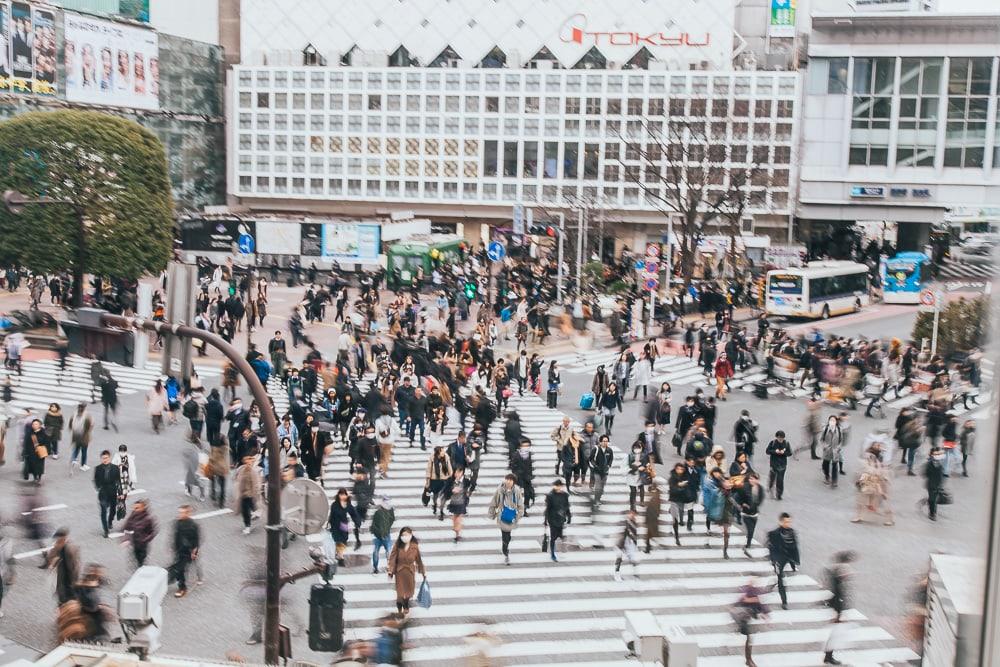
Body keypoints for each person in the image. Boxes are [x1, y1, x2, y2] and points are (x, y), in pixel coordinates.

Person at [823, 552, 856, 665]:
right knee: (835, 634)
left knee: (835, 634)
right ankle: (828, 656)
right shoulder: (838, 581)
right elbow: (838, 596)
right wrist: (839, 614)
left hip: (836, 608)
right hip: (836, 609)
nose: (848, 574)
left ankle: (828, 655)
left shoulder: (835, 573)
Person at [852, 442, 894, 526]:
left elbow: (885, 468)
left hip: (880, 481)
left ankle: (889, 518)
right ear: (872, 446)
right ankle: (859, 516)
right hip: (868, 480)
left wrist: (883, 475)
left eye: (880, 446)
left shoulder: (881, 457)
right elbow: (865, 467)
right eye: (877, 445)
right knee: (861, 498)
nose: (879, 447)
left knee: (885, 499)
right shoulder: (868, 456)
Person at [386, 527, 425, 616]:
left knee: (409, 592)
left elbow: (418, 560)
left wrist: (423, 571)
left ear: (411, 535)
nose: (405, 537)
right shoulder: (397, 545)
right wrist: (390, 571)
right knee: (400, 593)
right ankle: (399, 608)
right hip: (400, 571)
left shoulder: (414, 546)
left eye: (406, 535)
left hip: (410, 572)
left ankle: (406, 604)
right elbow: (392, 558)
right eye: (403, 535)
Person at [487, 474, 524, 566]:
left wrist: (518, 516)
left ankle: (505, 545)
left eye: (510, 480)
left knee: (508, 535)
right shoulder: (500, 490)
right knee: (505, 534)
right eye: (507, 479)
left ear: (513, 482)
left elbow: (520, 505)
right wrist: (492, 514)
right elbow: (494, 501)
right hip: (502, 515)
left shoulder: (517, 491)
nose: (508, 481)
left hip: (512, 517)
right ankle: (505, 551)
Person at [732, 577, 770, 667]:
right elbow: (739, 603)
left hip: (748, 618)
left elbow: (760, 605)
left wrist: (765, 615)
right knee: (749, 640)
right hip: (744, 619)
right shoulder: (748, 591)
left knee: (749, 640)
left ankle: (748, 660)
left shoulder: (755, 591)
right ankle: (748, 661)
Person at [766, 513, 800, 610]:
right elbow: (771, 548)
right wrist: (773, 560)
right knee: (781, 578)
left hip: (788, 557)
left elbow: (795, 546)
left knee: (780, 576)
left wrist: (795, 560)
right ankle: (784, 601)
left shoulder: (792, 532)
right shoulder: (774, 533)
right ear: (780, 522)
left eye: (789, 522)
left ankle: (775, 581)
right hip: (779, 558)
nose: (788, 523)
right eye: (785, 522)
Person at [170, 504, 200, 598]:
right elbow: (175, 535)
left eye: (182, 513)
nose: (180, 514)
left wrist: (194, 551)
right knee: (180, 567)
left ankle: (182, 588)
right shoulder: (177, 522)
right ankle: (197, 576)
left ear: (188, 513)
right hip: (179, 550)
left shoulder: (193, 525)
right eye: (180, 512)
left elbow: (196, 540)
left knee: (180, 570)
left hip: (187, 551)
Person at [47, 527, 81, 606]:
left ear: (65, 537)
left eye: (59, 538)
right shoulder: (58, 546)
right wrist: (55, 549)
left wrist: (75, 583)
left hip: (70, 584)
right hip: (62, 582)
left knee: (70, 605)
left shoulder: (71, 548)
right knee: (63, 603)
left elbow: (75, 568)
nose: (57, 540)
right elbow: (49, 560)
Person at [328, 488, 361, 566]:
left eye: (344, 494)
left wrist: (357, 522)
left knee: (344, 540)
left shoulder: (348, 505)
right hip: (335, 525)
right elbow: (332, 515)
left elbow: (354, 514)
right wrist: (329, 524)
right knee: (338, 540)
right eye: (341, 494)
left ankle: (339, 554)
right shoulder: (334, 504)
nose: (343, 496)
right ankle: (340, 557)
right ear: (338, 495)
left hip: (343, 525)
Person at [121, 498, 157, 568]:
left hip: (143, 545)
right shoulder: (133, 515)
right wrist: (126, 539)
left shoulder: (148, 519)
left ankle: (141, 570)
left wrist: (145, 539)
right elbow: (126, 527)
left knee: (141, 561)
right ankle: (140, 569)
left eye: (137, 508)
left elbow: (153, 532)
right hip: (135, 543)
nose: (135, 509)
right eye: (134, 507)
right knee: (136, 558)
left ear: (143, 508)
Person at [93, 450, 121, 538]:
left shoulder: (115, 468)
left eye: (106, 458)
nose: (105, 460)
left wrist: (120, 492)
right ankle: (106, 530)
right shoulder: (98, 468)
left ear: (109, 458)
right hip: (103, 493)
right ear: (101, 459)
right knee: (103, 511)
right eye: (103, 458)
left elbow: (118, 480)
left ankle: (110, 521)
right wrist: (98, 487)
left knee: (113, 510)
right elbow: (95, 479)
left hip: (113, 492)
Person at [736, 473, 765, 557]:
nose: (752, 481)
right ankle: (748, 544)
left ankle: (748, 541)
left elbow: (761, 498)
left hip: (755, 512)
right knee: (750, 529)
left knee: (752, 529)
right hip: (746, 513)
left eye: (754, 479)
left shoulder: (760, 488)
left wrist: (756, 505)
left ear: (758, 480)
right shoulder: (744, 487)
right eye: (750, 479)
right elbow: (738, 497)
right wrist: (742, 504)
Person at [543, 479, 572, 562]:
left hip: (561, 519)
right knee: (553, 537)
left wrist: (569, 516)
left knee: (559, 535)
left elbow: (567, 507)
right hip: (552, 519)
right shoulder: (550, 496)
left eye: (560, 486)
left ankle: (558, 549)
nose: (558, 487)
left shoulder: (565, 495)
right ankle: (552, 553)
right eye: (557, 485)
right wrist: (545, 520)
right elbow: (547, 509)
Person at [440, 467, 472, 542]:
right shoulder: (451, 481)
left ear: (462, 473)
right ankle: (456, 530)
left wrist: (467, 492)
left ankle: (457, 534)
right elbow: (446, 492)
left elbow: (471, 485)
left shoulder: (465, 481)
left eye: (459, 472)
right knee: (455, 517)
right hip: (453, 503)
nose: (457, 474)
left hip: (461, 503)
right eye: (456, 472)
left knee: (458, 518)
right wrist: (452, 491)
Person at [235, 454, 262, 535]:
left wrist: (255, 494)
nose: (248, 465)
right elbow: (238, 479)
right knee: (247, 510)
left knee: (246, 510)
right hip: (243, 494)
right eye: (246, 463)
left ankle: (248, 526)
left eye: (250, 463)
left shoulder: (253, 472)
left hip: (250, 494)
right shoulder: (241, 470)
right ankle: (253, 516)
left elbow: (256, 484)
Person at [424, 446, 453, 520]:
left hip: (444, 480)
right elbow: (428, 470)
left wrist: (450, 476)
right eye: (442, 451)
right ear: (438, 452)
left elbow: (449, 468)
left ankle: (441, 511)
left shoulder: (446, 457)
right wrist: (427, 481)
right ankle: (434, 505)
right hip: (434, 480)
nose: (444, 452)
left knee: (442, 496)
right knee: (435, 496)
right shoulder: (432, 458)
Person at [370, 496, 395, 574]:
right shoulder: (388, 511)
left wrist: (378, 532)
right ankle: (388, 567)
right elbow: (392, 520)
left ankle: (375, 568)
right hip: (384, 535)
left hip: (379, 535)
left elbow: (373, 525)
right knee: (388, 551)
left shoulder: (378, 512)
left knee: (377, 551)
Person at [613, 510, 640, 582]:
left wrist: (634, 543)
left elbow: (634, 535)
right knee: (619, 558)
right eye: (632, 514)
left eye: (634, 515)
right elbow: (621, 533)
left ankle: (635, 574)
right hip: (622, 543)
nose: (633, 516)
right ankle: (617, 574)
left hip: (628, 544)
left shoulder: (633, 523)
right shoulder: (626, 523)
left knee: (632, 559)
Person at [764, 431, 791, 501]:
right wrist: (775, 451)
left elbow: (790, 453)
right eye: (779, 438)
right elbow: (767, 451)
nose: (781, 439)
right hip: (774, 464)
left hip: (782, 465)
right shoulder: (772, 443)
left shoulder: (786, 443)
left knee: (780, 480)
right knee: (772, 478)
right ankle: (770, 488)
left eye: (782, 438)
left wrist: (784, 453)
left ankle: (779, 495)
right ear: (776, 437)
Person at [590, 435, 614, 508]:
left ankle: (599, 498)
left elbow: (611, 459)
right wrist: (595, 466)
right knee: (598, 487)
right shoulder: (596, 449)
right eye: (603, 441)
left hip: (605, 472)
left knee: (602, 487)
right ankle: (596, 500)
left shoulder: (609, 450)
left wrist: (608, 465)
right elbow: (591, 459)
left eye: (606, 441)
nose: (605, 443)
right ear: (600, 442)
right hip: (597, 471)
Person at [820, 416, 844, 488]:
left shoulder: (839, 430)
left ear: (836, 422)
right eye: (831, 420)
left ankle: (834, 481)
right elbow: (821, 439)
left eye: (833, 420)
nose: (832, 422)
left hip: (835, 451)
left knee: (834, 466)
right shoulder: (825, 429)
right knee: (825, 465)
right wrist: (825, 446)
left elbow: (841, 440)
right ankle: (827, 476)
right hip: (827, 450)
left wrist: (838, 448)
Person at [69, 403, 93, 472]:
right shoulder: (86, 416)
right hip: (84, 436)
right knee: (84, 451)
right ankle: (83, 465)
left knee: (76, 448)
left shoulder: (74, 415)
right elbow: (89, 427)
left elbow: (70, 425)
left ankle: (73, 459)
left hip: (76, 435)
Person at [22, 418, 49, 483]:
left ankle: (39, 476)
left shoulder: (43, 433)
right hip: (31, 453)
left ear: (39, 425)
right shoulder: (29, 433)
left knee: (39, 466)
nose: (34, 425)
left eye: (36, 424)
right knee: (32, 466)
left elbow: (47, 442)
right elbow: (26, 443)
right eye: (33, 424)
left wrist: (47, 450)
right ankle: (35, 477)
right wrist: (25, 452)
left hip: (39, 453)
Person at [924, 446, 946, 521]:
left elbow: (941, 476)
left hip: (936, 485)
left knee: (933, 500)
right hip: (931, 485)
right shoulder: (930, 464)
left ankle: (933, 513)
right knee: (932, 500)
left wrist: (941, 484)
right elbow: (926, 474)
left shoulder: (939, 465)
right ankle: (932, 513)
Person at [644, 476, 663, 554]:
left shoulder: (656, 496)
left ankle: (648, 547)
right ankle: (648, 547)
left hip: (652, 516)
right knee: (649, 533)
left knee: (649, 533)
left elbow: (657, 507)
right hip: (651, 516)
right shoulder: (655, 494)